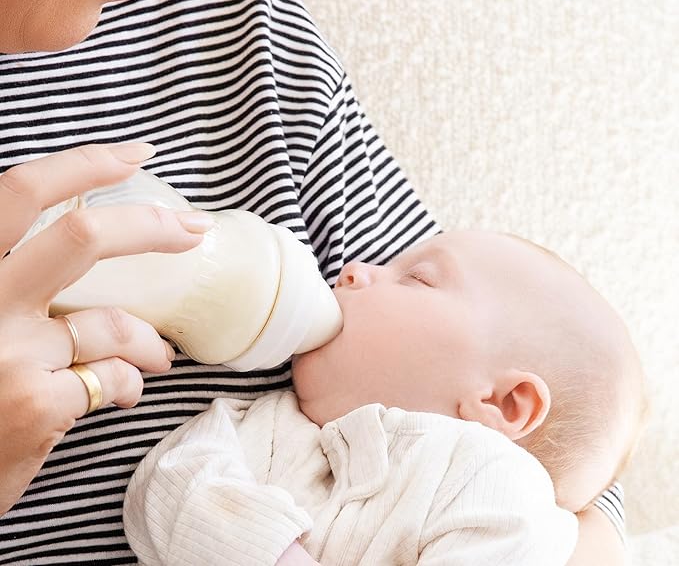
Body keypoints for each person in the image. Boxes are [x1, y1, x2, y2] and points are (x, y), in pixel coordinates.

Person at [0, 0, 626, 564]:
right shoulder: (238, 439)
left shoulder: (229, 19)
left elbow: (570, 448)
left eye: (412, 277)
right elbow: (177, 487)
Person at [122, 230, 644, 565]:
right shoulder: (268, 424)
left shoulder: (494, 484)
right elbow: (170, 482)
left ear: (503, 404)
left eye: (415, 278)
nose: (353, 269)